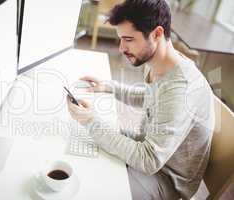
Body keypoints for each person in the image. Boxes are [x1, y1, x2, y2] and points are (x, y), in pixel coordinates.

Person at [67, 0, 215, 199]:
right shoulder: (160, 61)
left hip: (166, 178)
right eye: (121, 39)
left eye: (128, 39)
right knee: (87, 147)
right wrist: (108, 87)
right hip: (149, 146)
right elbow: (151, 97)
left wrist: (90, 121)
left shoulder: (181, 89)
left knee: (92, 185)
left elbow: (148, 160)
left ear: (157, 34)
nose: (121, 48)